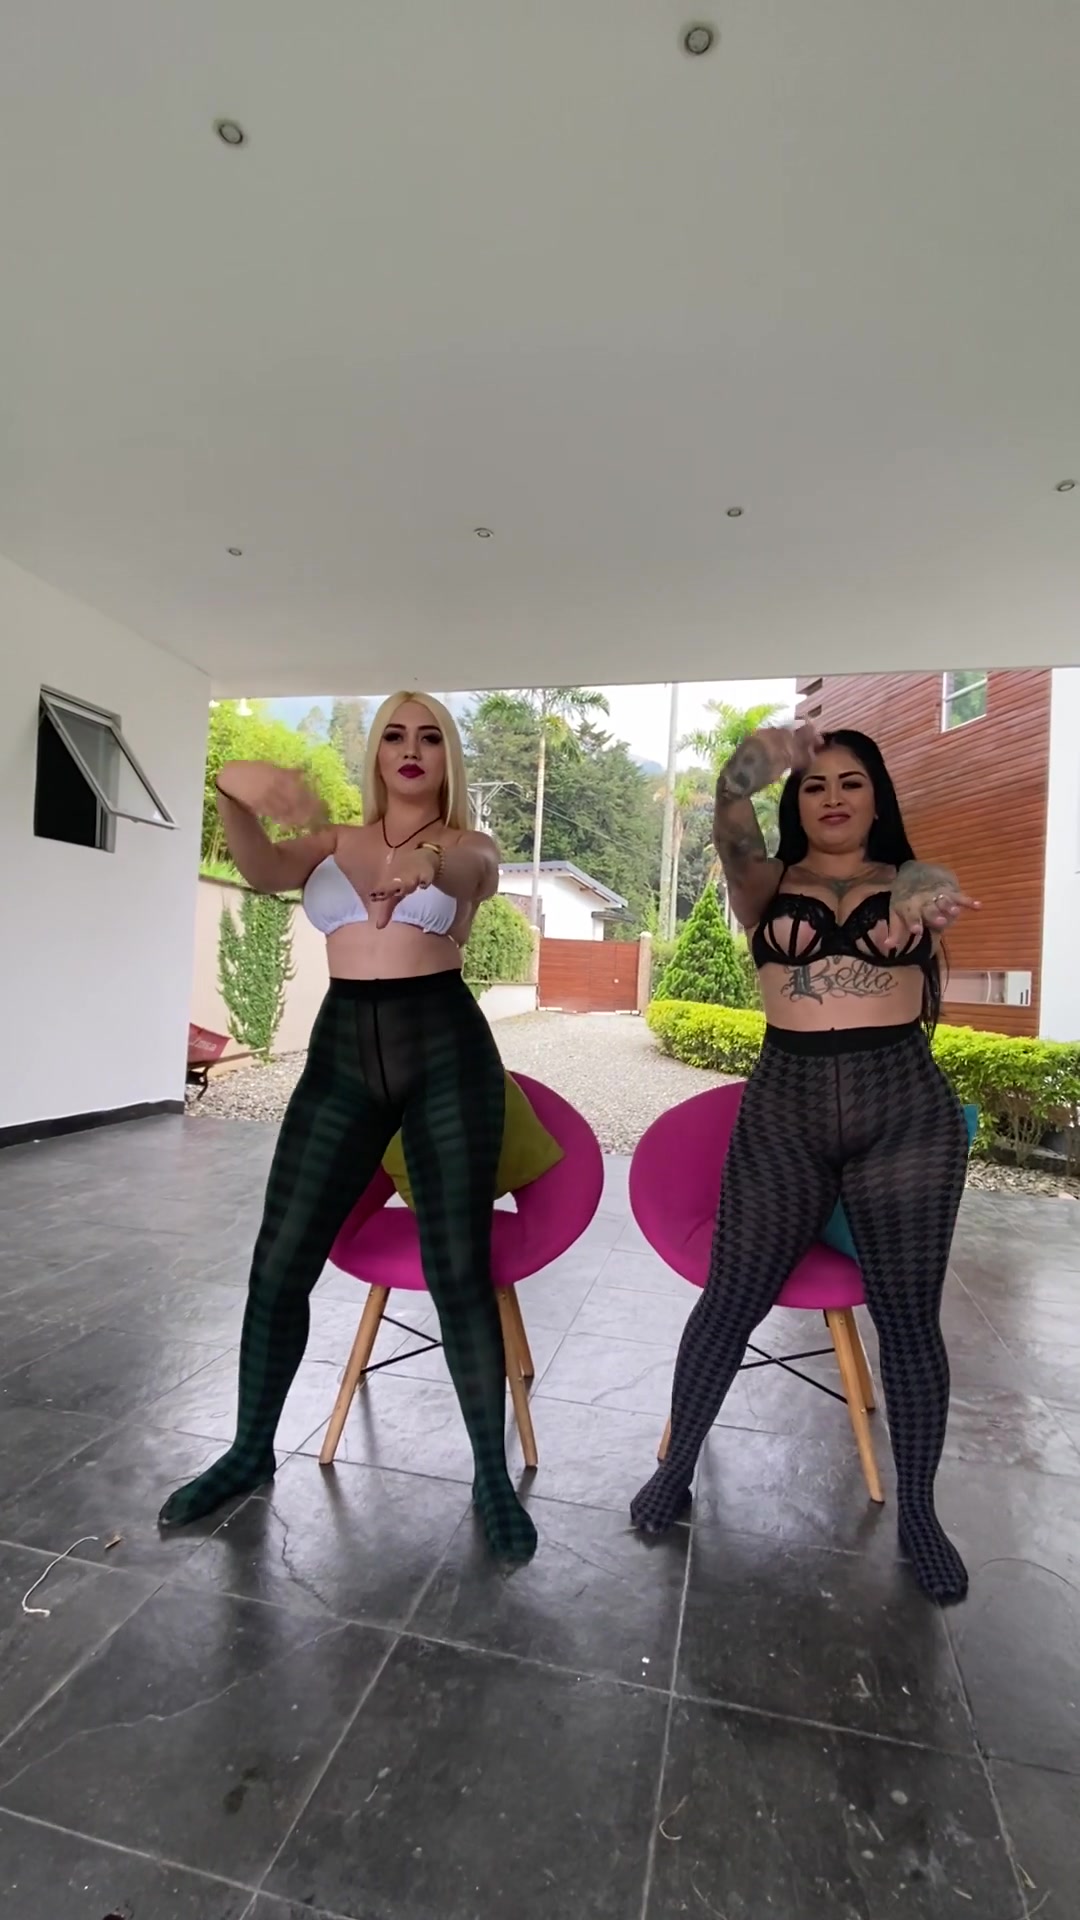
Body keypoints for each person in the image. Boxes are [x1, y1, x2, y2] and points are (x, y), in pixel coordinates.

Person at [159, 692, 537, 1561]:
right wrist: (233, 787)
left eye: (430, 736)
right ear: (375, 752)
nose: (411, 748)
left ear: (448, 757)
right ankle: (249, 1450)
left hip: (444, 1055)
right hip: (341, 1058)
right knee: (277, 1263)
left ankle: (488, 1476)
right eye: (395, 734)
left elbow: (466, 868)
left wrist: (426, 865)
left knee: (457, 1270)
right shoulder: (333, 843)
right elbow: (261, 869)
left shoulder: (470, 844)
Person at [631, 724, 978, 1604]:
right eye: (815, 784)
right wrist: (745, 771)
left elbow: (934, 886)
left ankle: (920, 1514)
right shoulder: (766, 883)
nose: (832, 797)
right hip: (785, 1114)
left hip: (904, 1116)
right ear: (796, 799)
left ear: (876, 797)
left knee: (908, 1322)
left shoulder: (908, 879)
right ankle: (675, 1468)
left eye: (851, 783)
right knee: (729, 1301)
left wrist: (930, 897)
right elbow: (731, 825)